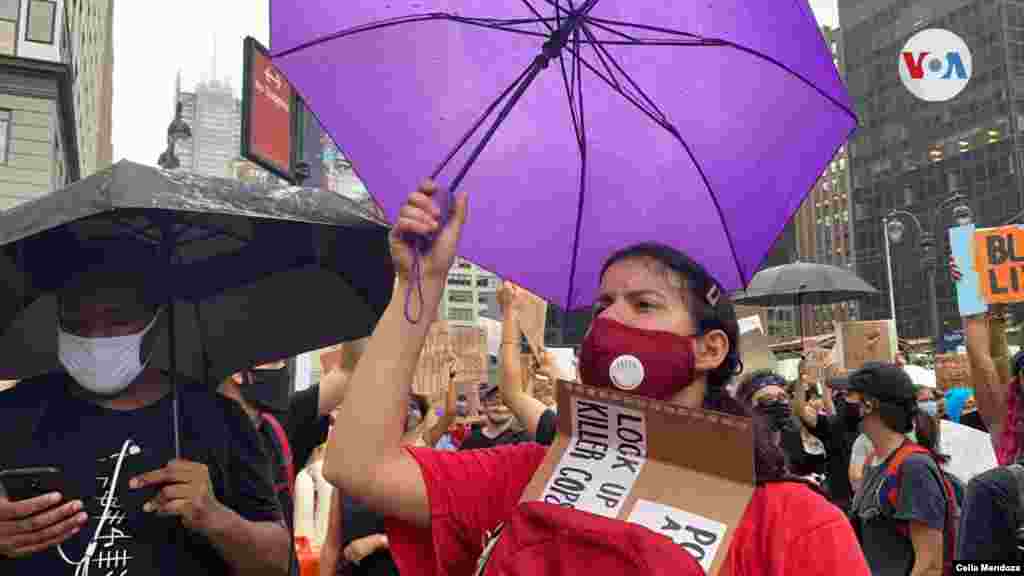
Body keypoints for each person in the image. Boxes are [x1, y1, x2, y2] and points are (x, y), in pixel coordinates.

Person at [323, 181, 868, 575]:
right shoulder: (527, 475)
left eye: (644, 304)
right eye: (603, 302)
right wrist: (420, 284)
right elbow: (359, 465)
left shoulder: (792, 524)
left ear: (709, 349)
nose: (609, 318)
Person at [0, 245, 289, 574]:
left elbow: (277, 563)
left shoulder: (218, 419)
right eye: (77, 322)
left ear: (157, 322)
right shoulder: (13, 413)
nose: (97, 336)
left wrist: (216, 518)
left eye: (117, 319)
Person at [846, 364, 955, 576]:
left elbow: (929, 567)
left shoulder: (914, 468)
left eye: (849, 395)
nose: (843, 402)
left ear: (868, 405)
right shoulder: (872, 460)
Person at [319, 395, 432, 575]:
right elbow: (332, 545)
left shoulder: (421, 473)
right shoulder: (347, 474)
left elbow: (432, 538)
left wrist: (379, 541)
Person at [790, 368, 861, 512]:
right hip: (842, 500)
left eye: (851, 393)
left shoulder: (879, 427)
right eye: (846, 394)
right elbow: (801, 410)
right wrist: (801, 378)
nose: (848, 398)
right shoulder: (834, 425)